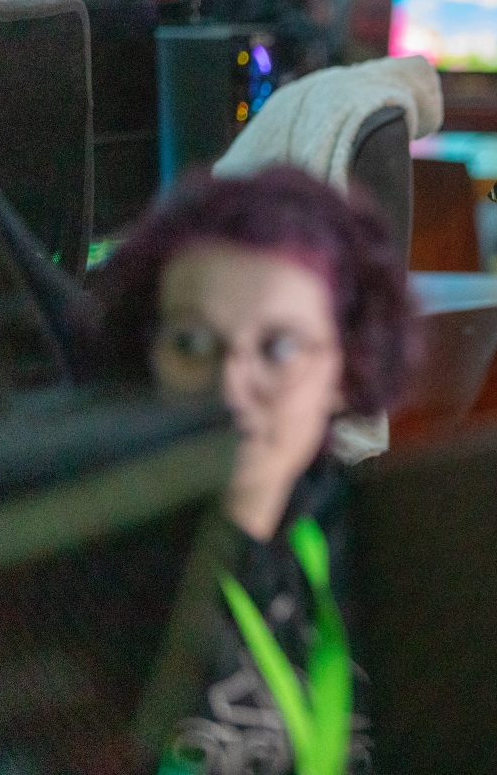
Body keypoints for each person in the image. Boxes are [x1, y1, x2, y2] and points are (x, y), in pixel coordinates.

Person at [92, 167, 412, 772]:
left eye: (280, 347)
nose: (232, 391)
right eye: (191, 343)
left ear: (347, 369)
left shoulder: (387, 552)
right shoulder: (83, 583)